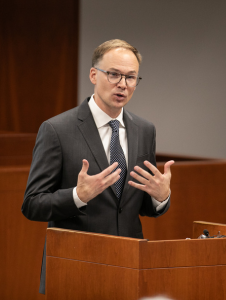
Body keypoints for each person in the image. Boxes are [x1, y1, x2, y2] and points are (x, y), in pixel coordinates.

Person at [21, 39, 174, 294]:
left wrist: (161, 197)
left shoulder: (145, 130)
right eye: (113, 74)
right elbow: (32, 204)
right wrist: (77, 196)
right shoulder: (57, 130)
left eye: (131, 77)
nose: (122, 84)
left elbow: (138, 205)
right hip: (76, 267)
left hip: (130, 268)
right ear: (94, 74)